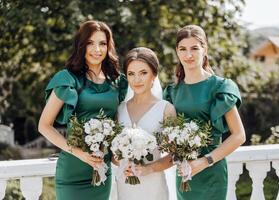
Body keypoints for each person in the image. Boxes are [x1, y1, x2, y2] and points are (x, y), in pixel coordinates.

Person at [38, 20, 127, 200]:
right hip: (72, 173)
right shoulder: (67, 79)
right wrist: (79, 153)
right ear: (81, 45)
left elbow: (118, 124)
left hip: (102, 171)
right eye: (90, 43)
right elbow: (44, 126)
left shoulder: (118, 82)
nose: (97, 49)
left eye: (102, 44)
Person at [163, 25, 246, 200]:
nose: (188, 55)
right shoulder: (171, 92)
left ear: (204, 49)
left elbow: (239, 135)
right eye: (183, 49)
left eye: (194, 48)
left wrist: (205, 161)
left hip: (212, 172)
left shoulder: (220, 87)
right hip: (185, 172)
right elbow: (168, 135)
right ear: (177, 52)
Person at [114, 47, 177, 200]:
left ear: (154, 74)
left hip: (153, 186)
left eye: (143, 73)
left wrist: (148, 169)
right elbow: (113, 154)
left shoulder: (166, 109)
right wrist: (123, 160)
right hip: (125, 184)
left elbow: (175, 154)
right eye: (131, 74)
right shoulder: (120, 109)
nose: (137, 79)